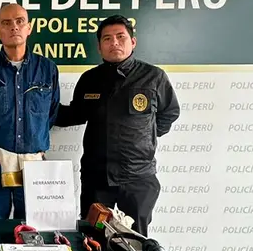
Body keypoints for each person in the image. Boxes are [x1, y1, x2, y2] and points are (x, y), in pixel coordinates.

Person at [55, 14, 180, 235]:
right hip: (97, 178)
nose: (114, 43)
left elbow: (169, 113)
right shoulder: (89, 79)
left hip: (137, 178)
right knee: (93, 238)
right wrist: (36, 108)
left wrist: (145, 137)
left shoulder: (154, 77)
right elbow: (75, 114)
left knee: (135, 241)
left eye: (120, 37)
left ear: (133, 42)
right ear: (99, 46)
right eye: (107, 39)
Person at [0, 3, 60, 219]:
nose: (14, 27)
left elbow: (51, 112)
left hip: (33, 165)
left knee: (31, 227)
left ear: (29, 28)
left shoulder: (48, 69)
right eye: (6, 23)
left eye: (20, 22)